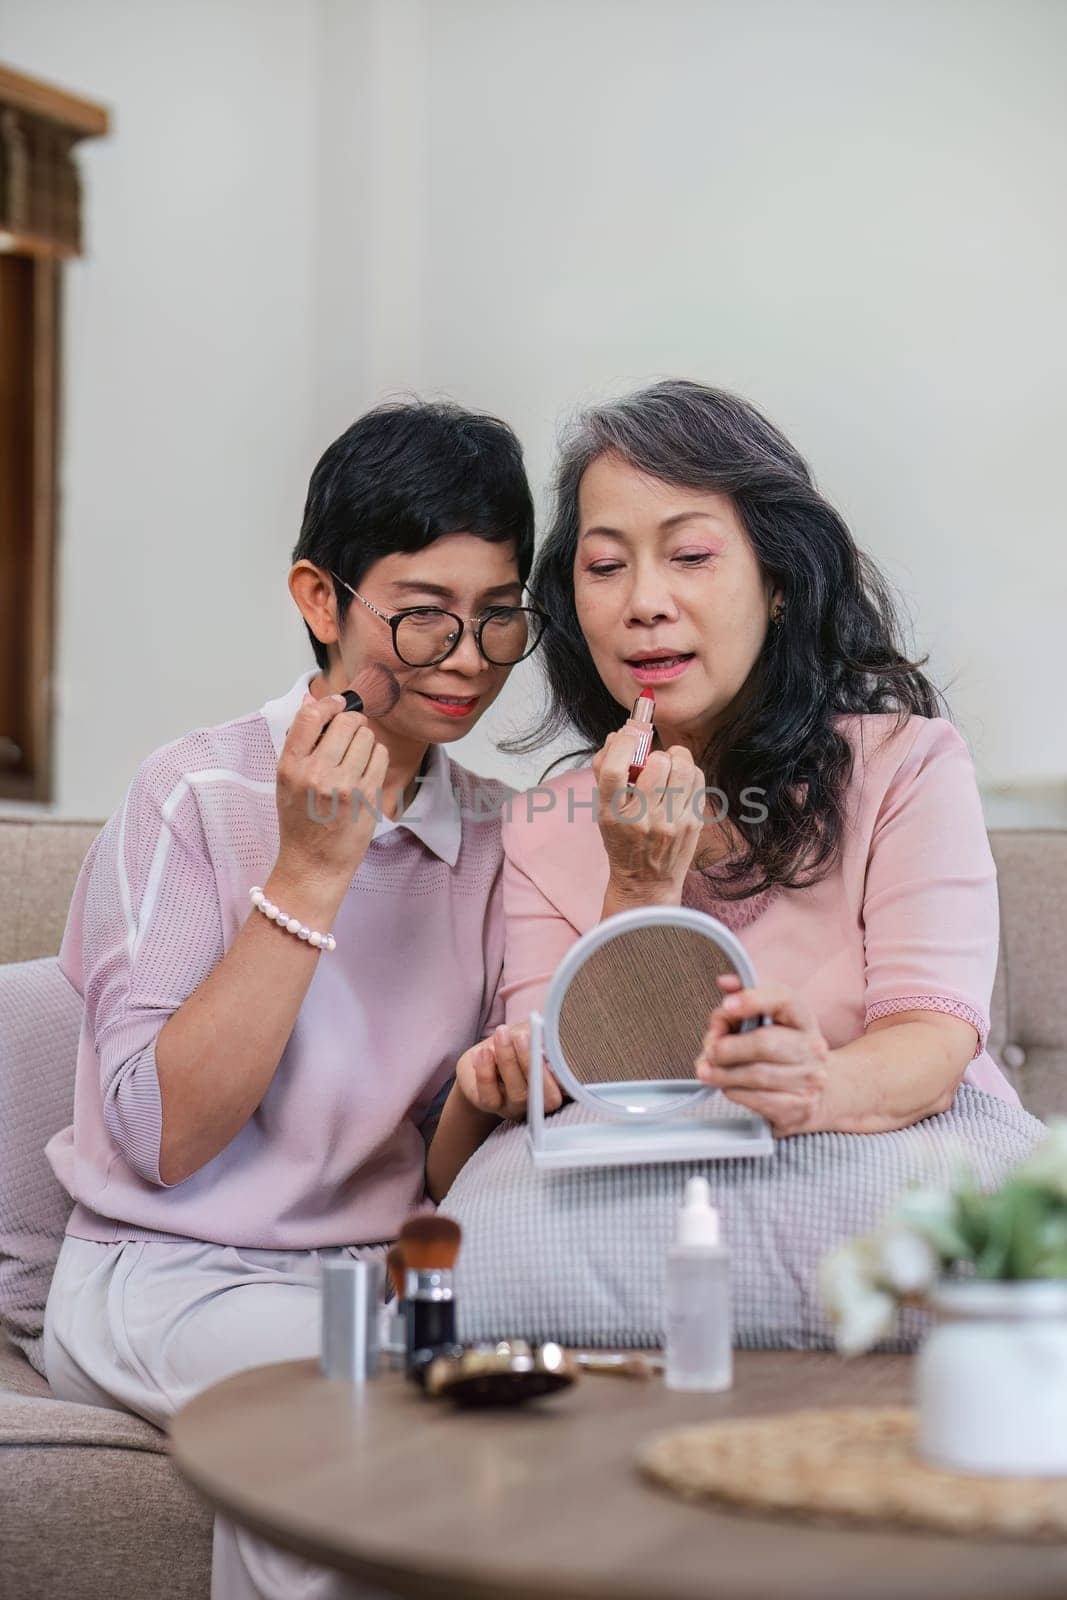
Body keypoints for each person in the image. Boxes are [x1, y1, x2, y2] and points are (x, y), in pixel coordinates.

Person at [41, 399, 546, 1600]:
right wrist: (309, 871)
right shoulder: (192, 795)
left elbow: (432, 1161)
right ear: (320, 601)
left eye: (498, 616)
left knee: (516, 1413)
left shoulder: (490, 833)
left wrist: (490, 1091)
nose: (467, 658)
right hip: (162, 1275)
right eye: (423, 617)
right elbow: (166, 1140)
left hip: (382, 1277)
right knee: (342, 1411)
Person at [432, 379, 1018, 1179]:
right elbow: (583, 1092)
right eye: (604, 565)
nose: (644, 603)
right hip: (652, 1214)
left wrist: (815, 1085)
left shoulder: (907, 768)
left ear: (776, 582)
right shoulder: (543, 827)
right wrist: (637, 890)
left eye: (691, 556)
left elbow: (932, 1038)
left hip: (892, 1183)